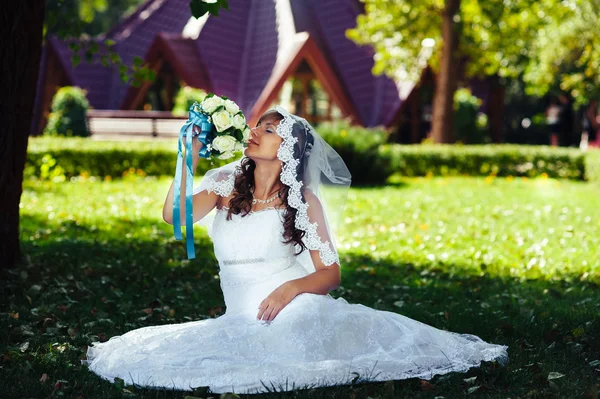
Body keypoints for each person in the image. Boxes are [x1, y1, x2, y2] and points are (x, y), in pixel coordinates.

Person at [81, 106, 509, 394]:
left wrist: (290, 290)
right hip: (241, 309)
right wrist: (188, 160)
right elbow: (174, 217)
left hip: (293, 303)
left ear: (287, 150)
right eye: (258, 126)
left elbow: (330, 274)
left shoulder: (303, 200)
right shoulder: (224, 184)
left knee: (291, 339)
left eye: (268, 130)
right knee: (236, 348)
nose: (254, 132)